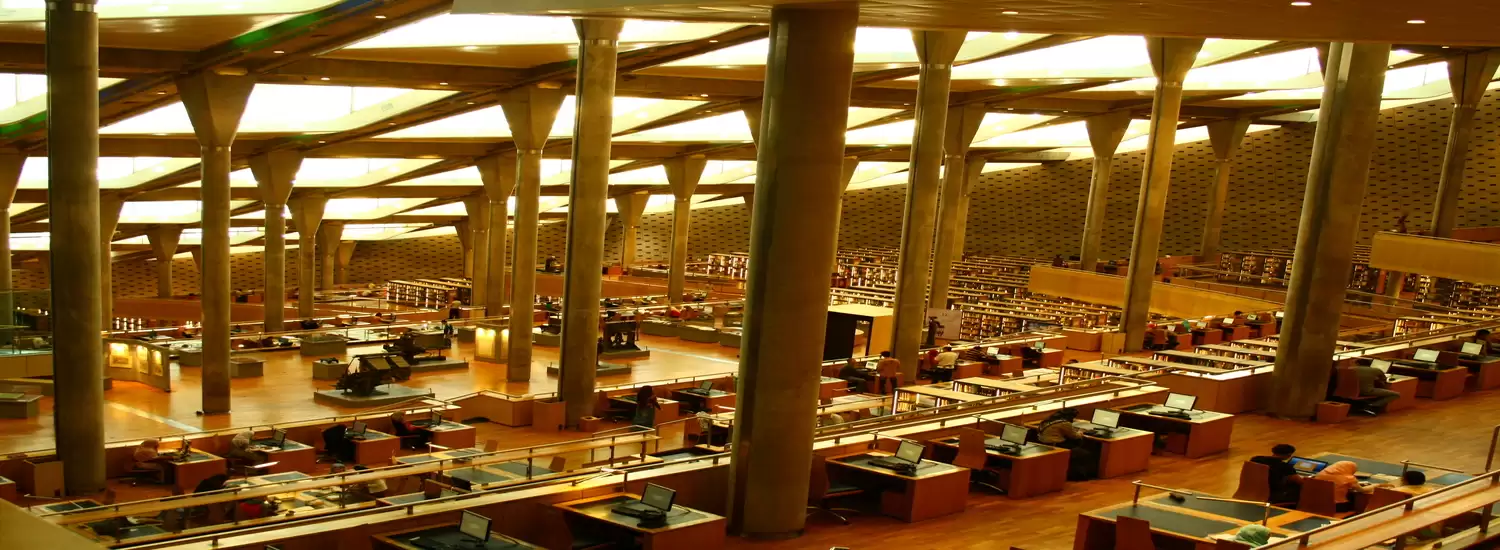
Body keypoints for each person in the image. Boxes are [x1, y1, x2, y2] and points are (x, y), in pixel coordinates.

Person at [1037, 408, 1096, 480]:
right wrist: (1081, 431)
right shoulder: (1064, 423)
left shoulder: (1048, 420)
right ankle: (1080, 475)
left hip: (1045, 443)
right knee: (1085, 453)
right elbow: (1075, 436)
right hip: (1056, 445)